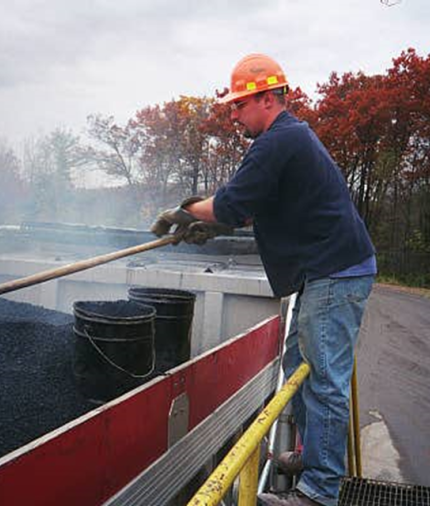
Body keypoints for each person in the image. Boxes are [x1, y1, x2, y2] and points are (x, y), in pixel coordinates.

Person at [151, 53, 376, 506]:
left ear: (268, 98)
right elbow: (247, 206)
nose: (233, 114)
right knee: (299, 367)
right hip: (326, 272)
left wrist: (186, 211)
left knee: (325, 378)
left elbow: (233, 203)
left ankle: (319, 491)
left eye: (240, 104)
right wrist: (211, 221)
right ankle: (314, 458)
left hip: (334, 272)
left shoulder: (278, 141)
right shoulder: (290, 139)